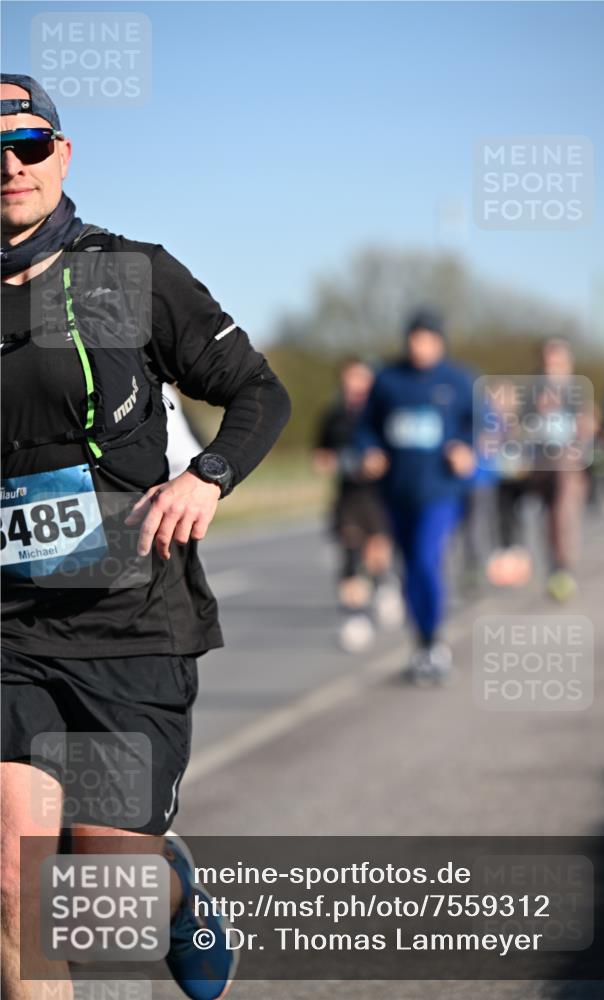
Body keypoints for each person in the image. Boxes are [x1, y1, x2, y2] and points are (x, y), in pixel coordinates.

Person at [0, 75, 291, 1000]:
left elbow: (257, 392)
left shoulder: (115, 278)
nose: (11, 166)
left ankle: (172, 894)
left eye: (31, 145)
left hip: (129, 615)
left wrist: (206, 478)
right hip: (10, 626)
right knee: (16, 880)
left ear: (64, 156)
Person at [355, 309, 477, 683]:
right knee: (410, 569)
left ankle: (434, 642)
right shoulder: (388, 380)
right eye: (413, 339)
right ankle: (422, 644)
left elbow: (479, 427)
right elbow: (366, 428)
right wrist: (370, 450)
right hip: (397, 491)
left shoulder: (458, 381)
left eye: (426, 339)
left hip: (440, 490)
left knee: (426, 560)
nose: (418, 347)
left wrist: (466, 449)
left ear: (439, 342)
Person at [484, 338, 595, 602]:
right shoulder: (532, 391)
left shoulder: (577, 391)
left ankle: (562, 569)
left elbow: (588, 425)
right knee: (543, 519)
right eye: (548, 360)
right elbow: (518, 425)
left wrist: (584, 432)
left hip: (567, 464)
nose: (552, 366)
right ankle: (548, 565)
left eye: (557, 360)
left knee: (562, 515)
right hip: (537, 463)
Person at [313, 357, 402, 652]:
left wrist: (380, 464)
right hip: (348, 494)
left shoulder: (383, 414)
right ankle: (354, 618)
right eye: (350, 379)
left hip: (378, 493)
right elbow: (320, 456)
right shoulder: (334, 416)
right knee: (349, 551)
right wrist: (338, 462)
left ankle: (383, 584)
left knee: (376, 550)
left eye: (361, 379)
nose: (355, 385)